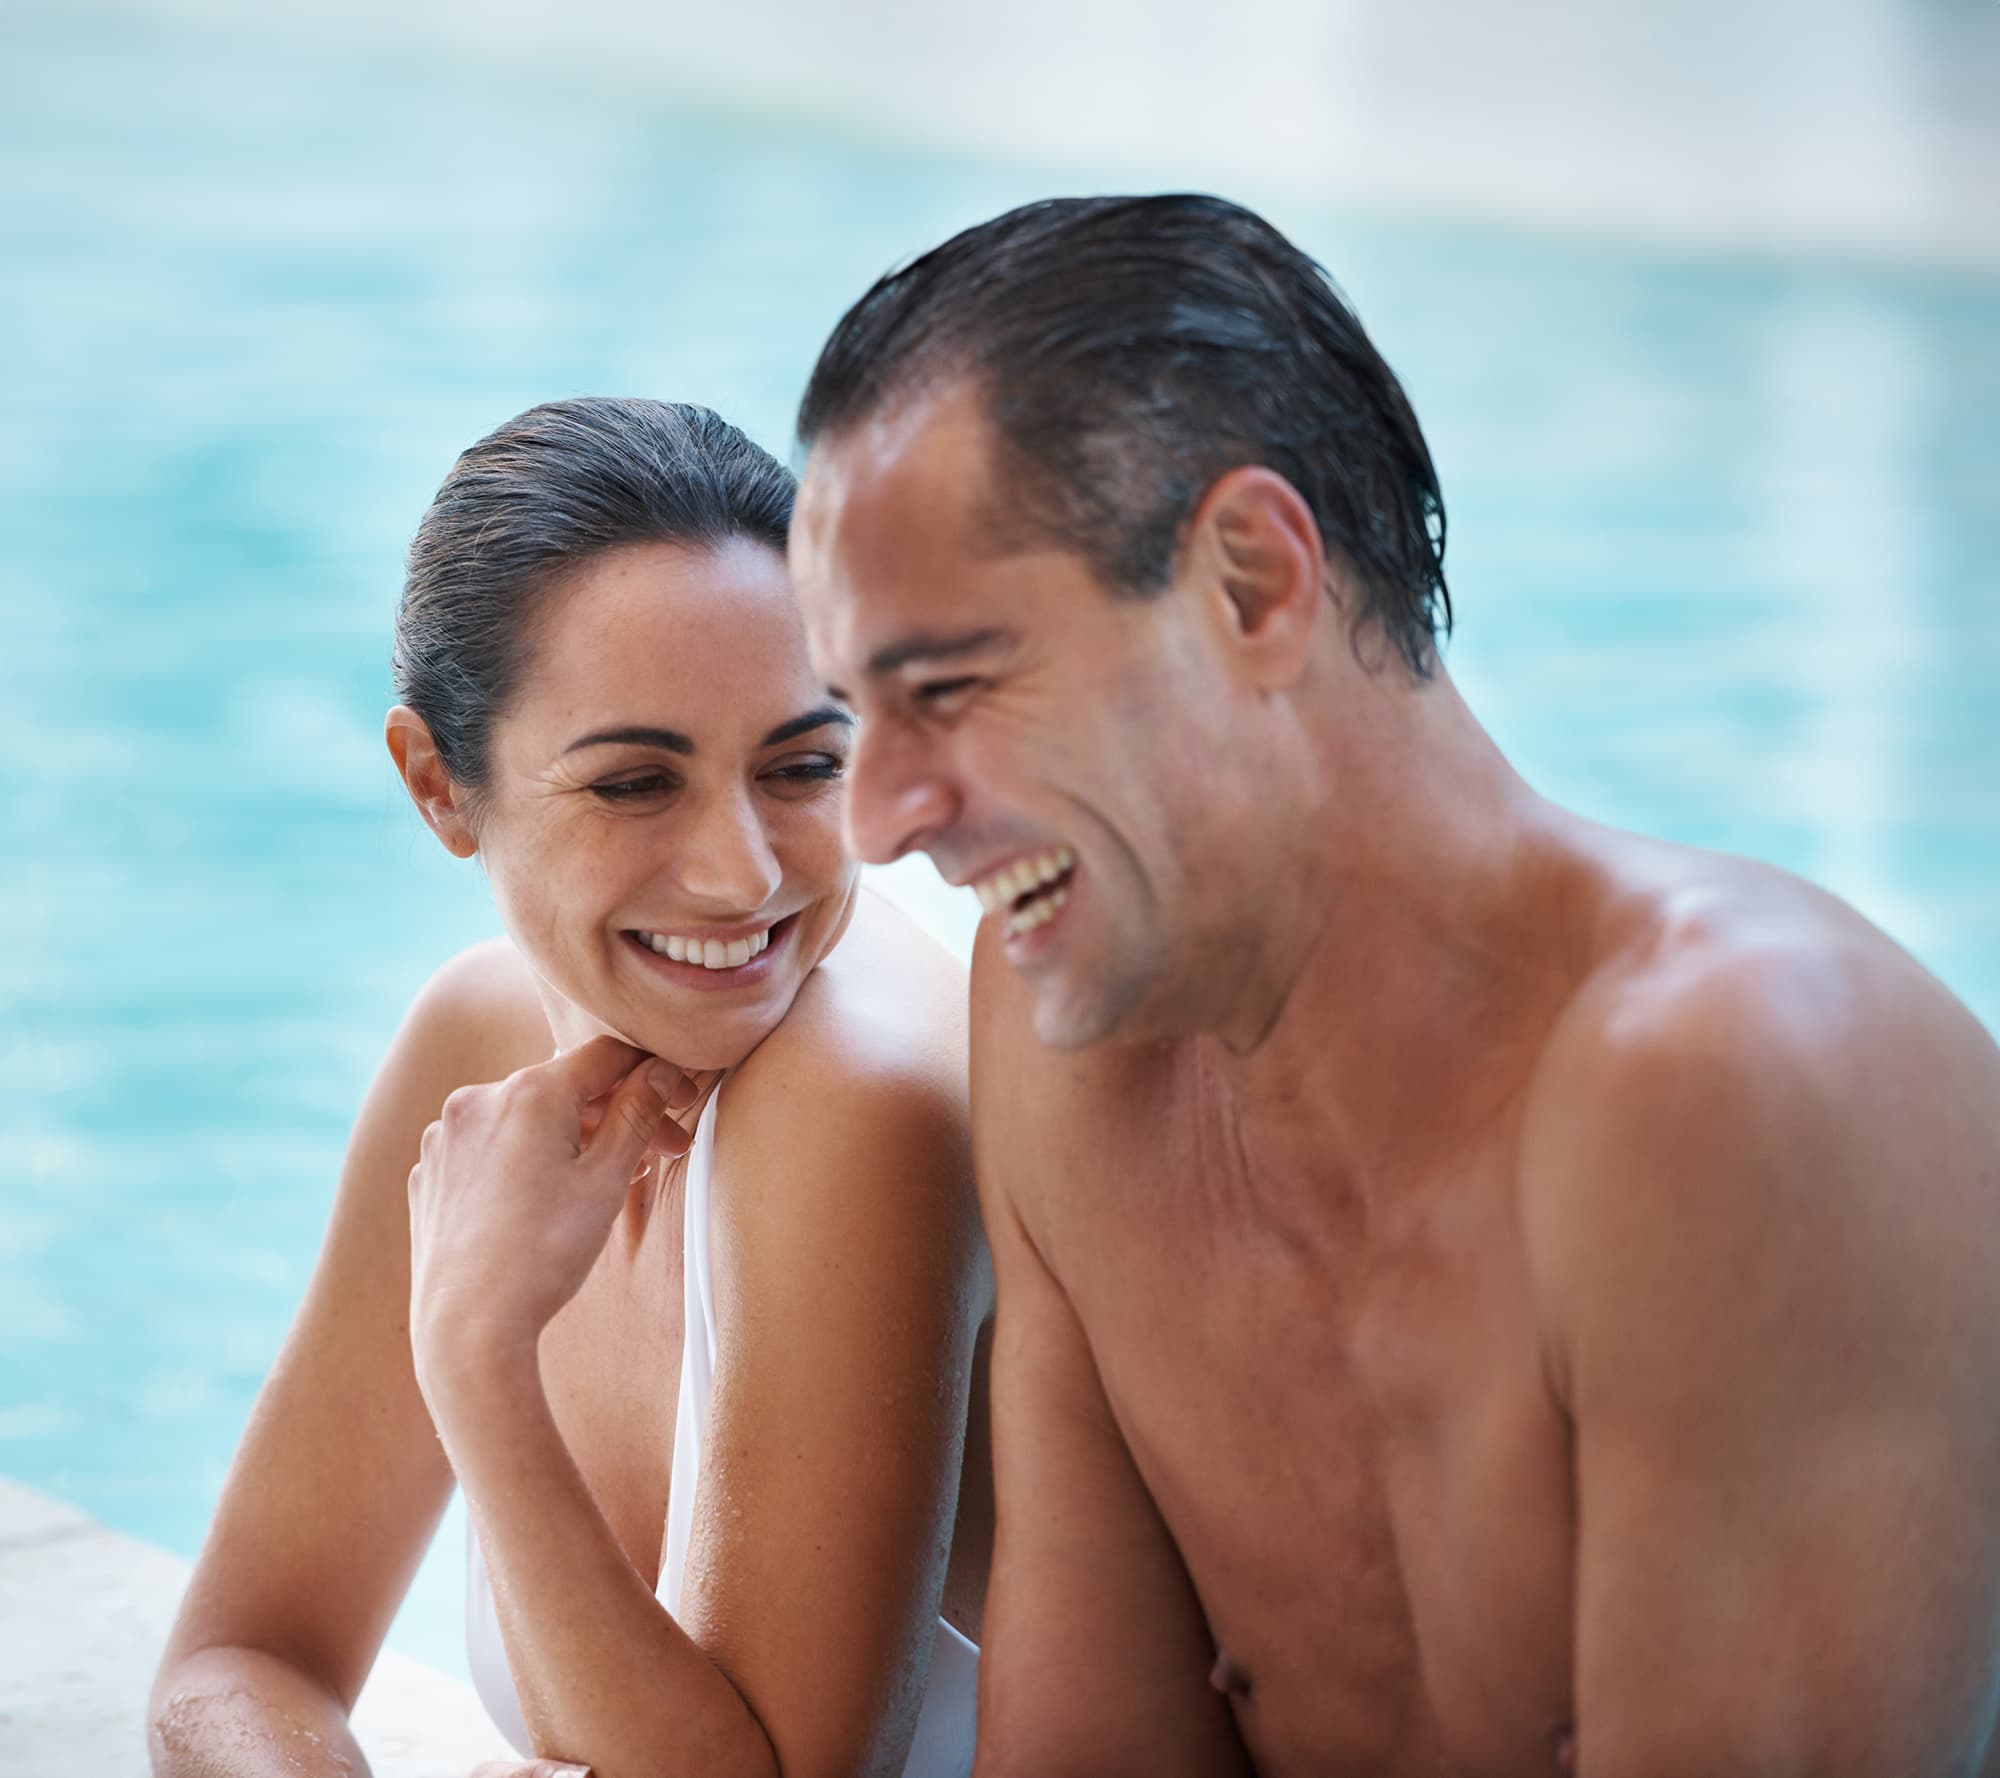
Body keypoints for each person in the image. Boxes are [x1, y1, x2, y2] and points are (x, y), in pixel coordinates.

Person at [787, 195, 2000, 1777]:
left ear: (1251, 582)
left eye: (946, 688)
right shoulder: (1071, 1053)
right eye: (855, 718)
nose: (877, 818)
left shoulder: (1739, 1085)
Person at [150, 398, 990, 1778]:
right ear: (438, 786)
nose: (744, 873)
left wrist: (477, 1367)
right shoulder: (478, 1043)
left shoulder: (856, 1097)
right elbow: (238, 1659)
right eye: (635, 782)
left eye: (802, 765)